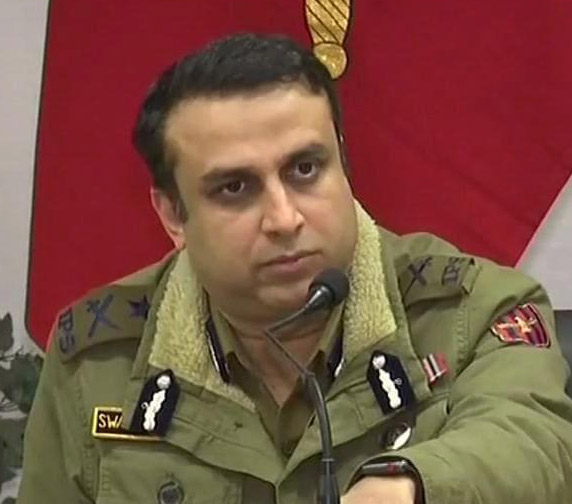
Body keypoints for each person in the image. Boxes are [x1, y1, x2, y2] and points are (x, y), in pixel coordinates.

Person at [19, 33, 572, 504]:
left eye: (305, 169)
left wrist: (410, 485)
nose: (284, 219)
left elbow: (537, 441)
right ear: (173, 215)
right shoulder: (97, 361)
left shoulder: (473, 310)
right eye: (235, 188)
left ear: (343, 163)